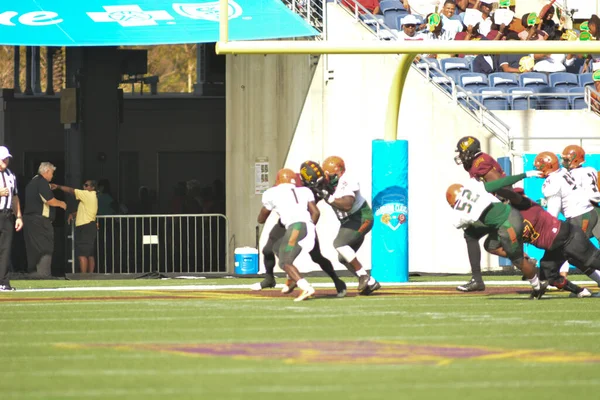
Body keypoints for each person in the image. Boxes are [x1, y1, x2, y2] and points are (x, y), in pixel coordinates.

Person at [251, 161, 348, 297]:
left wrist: (310, 228)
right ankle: (270, 278)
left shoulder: (321, 185)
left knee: (316, 256)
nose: (315, 184)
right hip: (286, 221)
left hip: (302, 221)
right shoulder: (294, 182)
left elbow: (318, 210)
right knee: (268, 249)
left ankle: (337, 281)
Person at [445, 170, 545, 295]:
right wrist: (525, 174)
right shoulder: (476, 188)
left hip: (508, 225)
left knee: (518, 260)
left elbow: (465, 220)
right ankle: (477, 280)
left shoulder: (459, 213)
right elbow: (501, 182)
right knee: (486, 243)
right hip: (510, 215)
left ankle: (537, 285)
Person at [484, 188, 595, 298]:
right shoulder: (510, 219)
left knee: (592, 260)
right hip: (554, 246)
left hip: (567, 236)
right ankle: (580, 291)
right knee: (548, 273)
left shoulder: (526, 209)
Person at [533, 151, 600, 289]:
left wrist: (547, 226)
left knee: (580, 254)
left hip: (580, 216)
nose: (537, 170)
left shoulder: (553, 181)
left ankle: (547, 276)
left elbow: (553, 211)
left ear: (547, 167)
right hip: (584, 213)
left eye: (539, 167)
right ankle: (549, 276)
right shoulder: (562, 172)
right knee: (573, 255)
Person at [319, 156, 380, 295]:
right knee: (343, 257)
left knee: (339, 243)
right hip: (349, 221)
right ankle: (370, 283)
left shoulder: (347, 180)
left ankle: (363, 276)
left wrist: (327, 196)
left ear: (339, 173)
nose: (327, 178)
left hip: (361, 218)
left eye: (329, 175)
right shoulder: (328, 184)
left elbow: (347, 205)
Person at [453, 136, 507, 292]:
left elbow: (501, 185)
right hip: (497, 205)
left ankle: (477, 280)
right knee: (491, 245)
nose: (460, 156)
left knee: (471, 235)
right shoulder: (476, 162)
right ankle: (528, 265)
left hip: (501, 207)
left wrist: (505, 203)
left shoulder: (480, 163)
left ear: (469, 152)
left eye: (462, 153)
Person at [257, 168, 319, 302]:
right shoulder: (304, 191)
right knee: (277, 246)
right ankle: (291, 279)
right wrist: (311, 227)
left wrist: (260, 217)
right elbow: (315, 212)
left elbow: (262, 217)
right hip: (306, 225)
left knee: (284, 262)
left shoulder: (272, 192)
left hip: (296, 226)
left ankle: (305, 287)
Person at [23, 162, 67, 278]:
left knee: (33, 248)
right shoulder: (42, 182)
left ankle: (33, 275)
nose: (52, 176)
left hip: (29, 220)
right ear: (46, 172)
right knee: (45, 247)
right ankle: (44, 275)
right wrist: (61, 203)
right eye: (52, 173)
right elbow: (49, 200)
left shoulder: (32, 182)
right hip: (40, 221)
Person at [51, 180, 98, 273]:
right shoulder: (92, 197)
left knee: (82, 254)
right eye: (84, 185)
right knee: (89, 254)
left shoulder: (88, 194)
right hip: (90, 226)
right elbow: (84, 211)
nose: (84, 187)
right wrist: (73, 214)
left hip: (85, 226)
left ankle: (83, 276)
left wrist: (58, 187)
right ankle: (91, 276)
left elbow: (71, 190)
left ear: (92, 188)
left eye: (86, 185)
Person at [0, 146, 22, 291]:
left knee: (5, 250)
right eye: (3, 159)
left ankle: (3, 282)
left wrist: (18, 215)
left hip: (7, 215)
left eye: (7, 158)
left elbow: (15, 197)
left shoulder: (10, 174)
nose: (6, 161)